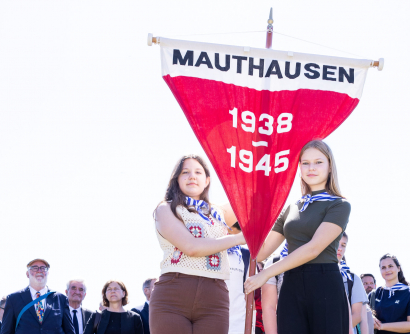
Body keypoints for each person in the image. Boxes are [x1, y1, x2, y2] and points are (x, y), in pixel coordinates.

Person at [244, 140, 352, 334]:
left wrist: (266, 273)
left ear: (329, 167)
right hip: (290, 283)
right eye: (305, 163)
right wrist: (247, 222)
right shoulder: (291, 208)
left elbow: (313, 248)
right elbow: (261, 253)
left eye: (318, 162)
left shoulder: (339, 205)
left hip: (324, 282)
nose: (311, 168)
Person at [150, 154, 246, 334]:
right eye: (185, 172)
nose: (192, 176)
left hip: (214, 298)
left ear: (207, 180)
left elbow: (249, 192)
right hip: (173, 295)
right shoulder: (166, 208)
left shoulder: (219, 212)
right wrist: (238, 239)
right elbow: (191, 247)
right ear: (176, 180)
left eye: (198, 172)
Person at [1, 258, 75, 334]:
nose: (39, 271)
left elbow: (69, 331)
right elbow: (6, 331)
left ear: (48, 273)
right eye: (34, 268)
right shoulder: (13, 299)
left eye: (43, 268)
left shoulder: (61, 299)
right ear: (27, 274)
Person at [370, 254, 410, 333]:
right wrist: (370, 317)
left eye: (390, 266)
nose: (387, 270)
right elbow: (362, 312)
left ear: (398, 268)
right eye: (383, 267)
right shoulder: (374, 294)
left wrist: (381, 326)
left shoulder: (408, 293)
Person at [337, 232, 368, 334]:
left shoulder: (353, 279)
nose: (340, 248)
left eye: (343, 245)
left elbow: (357, 315)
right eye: (336, 243)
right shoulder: (312, 274)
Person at [223, 220, 250, 334]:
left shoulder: (246, 254)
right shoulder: (211, 249)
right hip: (211, 318)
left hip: (238, 322)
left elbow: (249, 292)